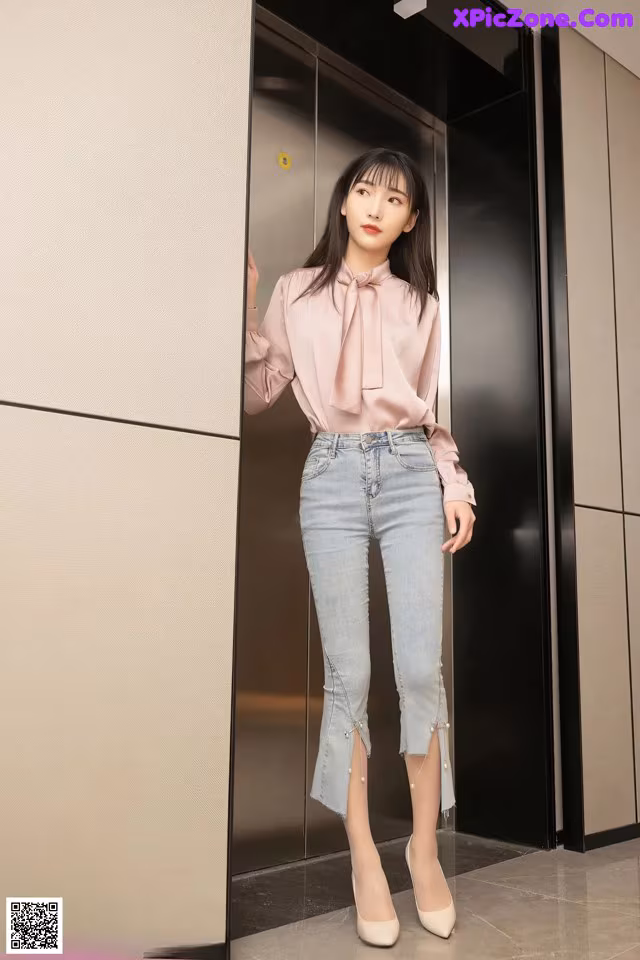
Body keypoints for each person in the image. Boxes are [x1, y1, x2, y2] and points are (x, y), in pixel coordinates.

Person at [243, 147, 476, 947]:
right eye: (365, 191)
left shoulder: (423, 304)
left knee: (419, 667)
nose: (376, 207)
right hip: (332, 474)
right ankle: (363, 858)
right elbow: (257, 392)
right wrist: (240, 315)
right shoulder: (294, 295)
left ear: (410, 220)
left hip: (411, 470)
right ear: (344, 204)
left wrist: (454, 482)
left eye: (395, 199)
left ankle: (421, 849)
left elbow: (432, 410)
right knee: (351, 672)